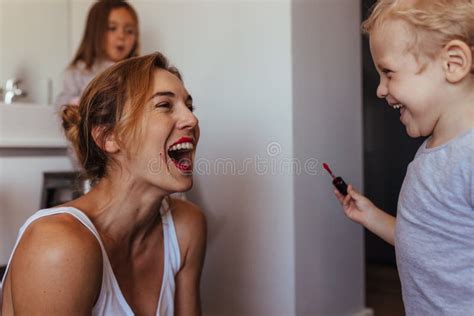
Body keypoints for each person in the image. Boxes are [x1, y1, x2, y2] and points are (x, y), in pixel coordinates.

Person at [0, 52, 206, 316]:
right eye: (164, 105)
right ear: (109, 137)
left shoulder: (187, 227)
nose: (192, 119)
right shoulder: (57, 247)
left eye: (190, 106)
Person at [334, 0, 474, 314]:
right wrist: (371, 216)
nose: (380, 90)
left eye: (388, 73)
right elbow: (429, 244)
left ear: (452, 63)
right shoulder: (431, 150)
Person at [55, 0, 139, 107]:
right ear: (95, 32)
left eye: (129, 31)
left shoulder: (139, 73)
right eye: (112, 28)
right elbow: (62, 108)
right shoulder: (79, 71)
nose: (121, 36)